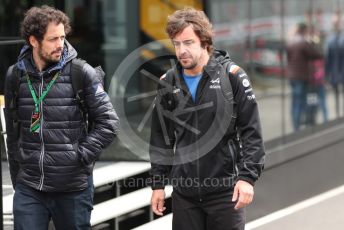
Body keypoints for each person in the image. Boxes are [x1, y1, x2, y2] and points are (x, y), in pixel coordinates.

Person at [4, 5, 119, 230]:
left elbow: (109, 122)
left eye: (63, 37)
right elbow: (13, 129)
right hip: (29, 186)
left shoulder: (81, 72)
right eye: (53, 39)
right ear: (33, 41)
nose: (60, 45)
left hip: (72, 188)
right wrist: (17, 175)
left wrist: (79, 155)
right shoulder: (15, 75)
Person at [149, 8, 265, 230]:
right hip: (185, 196)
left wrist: (247, 178)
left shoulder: (232, 77)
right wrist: (158, 184)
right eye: (176, 44)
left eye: (188, 42)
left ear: (204, 41)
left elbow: (252, 132)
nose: (182, 50)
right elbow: (160, 138)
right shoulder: (168, 83)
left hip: (225, 194)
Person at [286, 22, 322, 130]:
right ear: (304, 30)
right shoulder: (303, 42)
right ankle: (298, 128)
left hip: (292, 77)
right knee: (300, 102)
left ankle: (295, 125)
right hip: (301, 77)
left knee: (294, 102)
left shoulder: (290, 42)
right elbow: (316, 54)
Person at [325, 14, 344, 118]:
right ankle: (338, 115)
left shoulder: (333, 39)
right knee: (336, 94)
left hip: (339, 71)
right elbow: (327, 58)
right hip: (334, 71)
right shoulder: (330, 39)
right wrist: (326, 74)